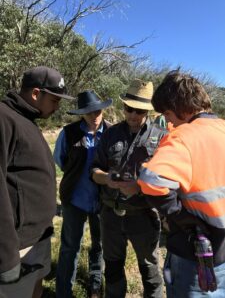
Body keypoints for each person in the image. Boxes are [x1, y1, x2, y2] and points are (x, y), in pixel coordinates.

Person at [120, 71, 225, 297]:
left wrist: (180, 216)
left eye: (167, 115)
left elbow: (151, 180)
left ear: (177, 108)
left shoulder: (182, 136)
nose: (168, 122)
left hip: (195, 255)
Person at [0, 66, 75, 298]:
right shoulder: (4, 118)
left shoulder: (26, 119)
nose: (57, 107)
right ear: (35, 94)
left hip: (38, 237)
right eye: (54, 100)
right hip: (18, 246)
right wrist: (6, 255)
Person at [91, 79, 166, 298]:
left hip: (143, 216)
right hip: (111, 216)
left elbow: (167, 181)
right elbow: (94, 170)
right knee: (113, 270)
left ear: (148, 111)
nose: (133, 114)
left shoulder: (162, 138)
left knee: (150, 272)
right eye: (128, 108)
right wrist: (106, 179)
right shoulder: (110, 134)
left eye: (139, 110)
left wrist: (139, 187)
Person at [54, 90, 112, 298]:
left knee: (100, 244)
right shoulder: (68, 133)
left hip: (103, 200)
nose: (94, 115)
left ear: (102, 110)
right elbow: (60, 160)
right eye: (88, 112)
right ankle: (64, 291)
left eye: (97, 110)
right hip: (75, 199)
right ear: (82, 114)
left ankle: (95, 284)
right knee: (70, 246)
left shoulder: (112, 133)